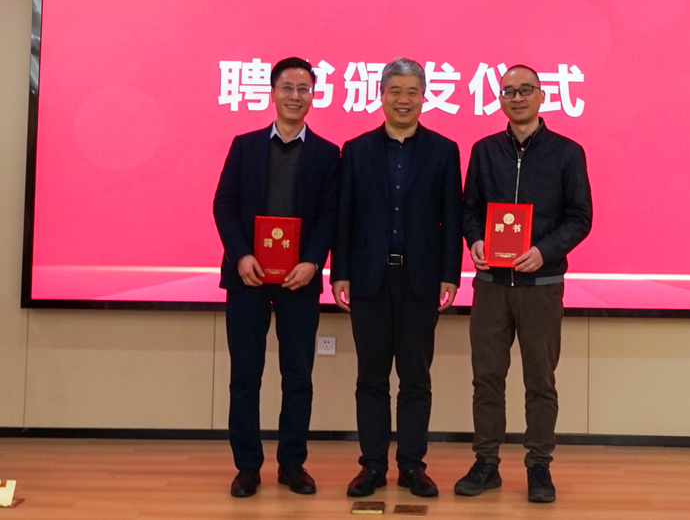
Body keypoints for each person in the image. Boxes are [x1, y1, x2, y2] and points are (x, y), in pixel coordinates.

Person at [455, 64, 592, 503]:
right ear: (500, 100)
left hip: (542, 285)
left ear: (542, 95)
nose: (516, 97)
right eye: (508, 91)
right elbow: (469, 209)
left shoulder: (567, 152)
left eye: (524, 89)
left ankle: (539, 466)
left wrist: (544, 251)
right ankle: (486, 462)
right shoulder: (484, 150)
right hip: (491, 286)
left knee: (540, 380)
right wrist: (475, 239)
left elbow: (580, 218)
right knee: (487, 378)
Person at [331, 58, 463, 498]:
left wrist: (450, 274)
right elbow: (344, 216)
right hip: (368, 279)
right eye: (395, 91)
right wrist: (340, 272)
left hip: (419, 280)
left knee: (415, 378)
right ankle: (371, 466)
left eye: (412, 92)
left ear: (424, 97)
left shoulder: (444, 150)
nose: (403, 100)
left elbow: (452, 218)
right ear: (381, 95)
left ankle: (411, 466)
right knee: (370, 378)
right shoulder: (356, 149)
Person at [213, 57, 339, 498]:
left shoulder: (327, 153)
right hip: (247, 278)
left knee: (298, 376)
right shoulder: (245, 146)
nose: (295, 96)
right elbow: (223, 204)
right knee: (245, 377)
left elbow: (329, 215)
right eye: (287, 87)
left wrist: (313, 262)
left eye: (304, 89)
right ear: (272, 93)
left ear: (313, 96)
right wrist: (241, 255)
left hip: (298, 281)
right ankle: (247, 467)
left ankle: (292, 464)